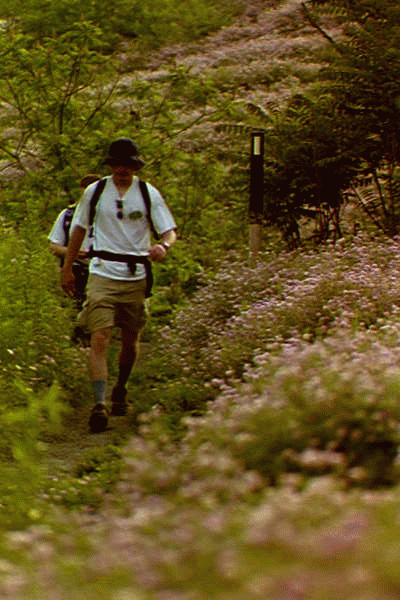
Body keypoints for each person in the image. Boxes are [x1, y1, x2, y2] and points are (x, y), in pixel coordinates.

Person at [61, 138, 177, 433]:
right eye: (118, 165)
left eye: (128, 165)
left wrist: (163, 246)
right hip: (102, 271)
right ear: (111, 166)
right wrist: (68, 267)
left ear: (135, 166)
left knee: (130, 338)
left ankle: (121, 387)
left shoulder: (148, 193)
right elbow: (79, 229)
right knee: (99, 336)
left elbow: (169, 230)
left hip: (136, 273)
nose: (123, 169)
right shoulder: (96, 192)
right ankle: (99, 403)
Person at [48, 174, 101, 310]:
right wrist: (73, 253)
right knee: (76, 313)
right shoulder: (68, 215)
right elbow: (54, 246)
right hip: (77, 271)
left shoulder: (113, 215)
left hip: (105, 272)